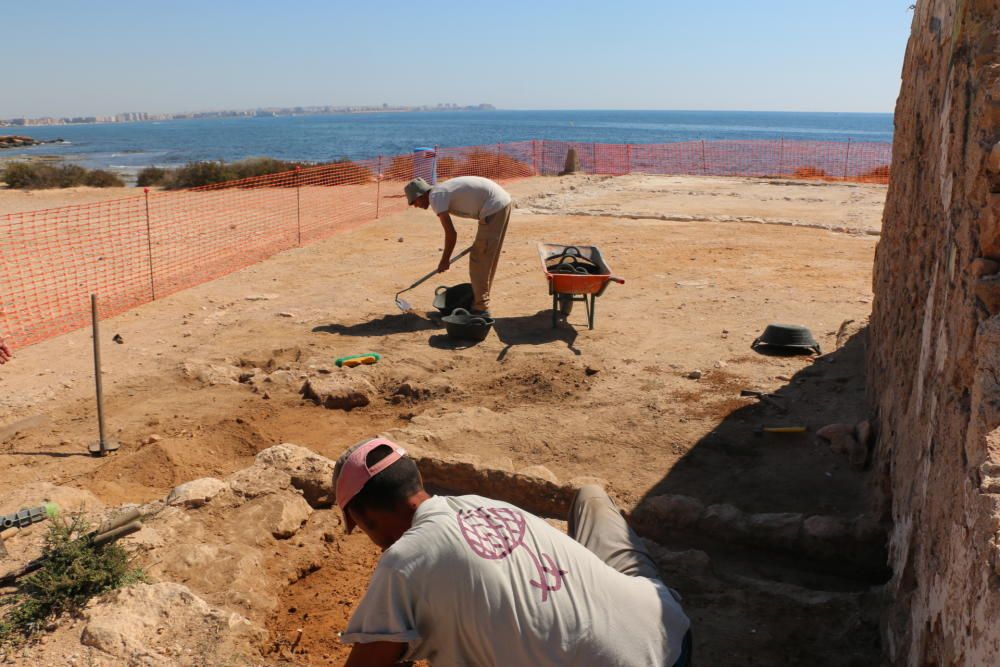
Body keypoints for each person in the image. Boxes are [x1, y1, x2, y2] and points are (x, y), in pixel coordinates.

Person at [335, 437, 693, 667]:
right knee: (591, 497)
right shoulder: (486, 504)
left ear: (363, 517)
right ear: (418, 481)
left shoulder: (401, 564)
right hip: (670, 639)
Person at [404, 176, 513, 317]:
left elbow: (451, 234)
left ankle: (480, 309)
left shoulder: (436, 197)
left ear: (421, 195)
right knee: (486, 257)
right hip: (500, 203)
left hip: (494, 206)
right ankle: (479, 301)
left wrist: (445, 260)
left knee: (479, 260)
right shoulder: (439, 192)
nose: (415, 206)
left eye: (414, 202)